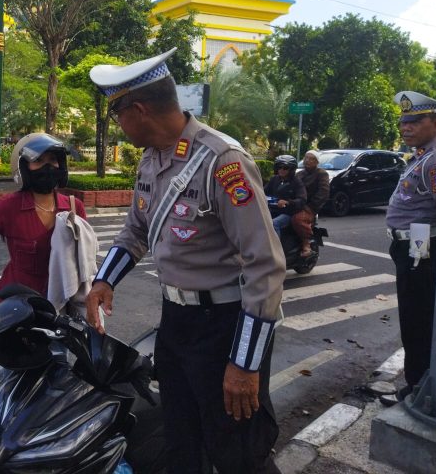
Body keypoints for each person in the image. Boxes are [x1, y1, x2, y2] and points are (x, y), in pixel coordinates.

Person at [86, 48, 286, 473]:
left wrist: (244, 363)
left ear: (138, 109)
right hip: (176, 321)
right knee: (181, 439)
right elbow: (136, 232)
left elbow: (265, 265)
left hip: (225, 327)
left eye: (117, 113)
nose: (118, 125)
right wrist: (104, 281)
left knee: (238, 451)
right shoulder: (152, 159)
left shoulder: (222, 162)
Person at [381, 91, 436, 405]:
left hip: (421, 247)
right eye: (403, 121)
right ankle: (417, 383)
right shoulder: (422, 155)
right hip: (411, 246)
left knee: (417, 320)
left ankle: (418, 388)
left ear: (435, 123)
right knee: (414, 317)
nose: (405, 127)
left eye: (414, 121)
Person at [0, 132, 87, 296]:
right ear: (23, 167)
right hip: (16, 305)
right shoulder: (9, 207)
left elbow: (84, 259)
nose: (47, 166)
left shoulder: (74, 207)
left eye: (52, 160)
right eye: (38, 161)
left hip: (61, 305)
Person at [292, 150, 330, 256]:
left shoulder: (321, 174)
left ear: (317, 162)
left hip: (309, 208)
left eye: (311, 159)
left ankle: (306, 245)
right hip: (295, 205)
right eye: (306, 158)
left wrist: (311, 207)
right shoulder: (299, 174)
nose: (307, 160)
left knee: (298, 219)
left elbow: (324, 193)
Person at [263, 155, 307, 238]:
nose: (281, 170)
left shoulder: (297, 182)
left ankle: (276, 249)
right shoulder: (275, 179)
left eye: (285, 168)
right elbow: (263, 191)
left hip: (288, 213)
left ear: (291, 169)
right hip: (273, 210)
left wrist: (287, 202)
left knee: (274, 224)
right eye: (279, 167)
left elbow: (302, 200)